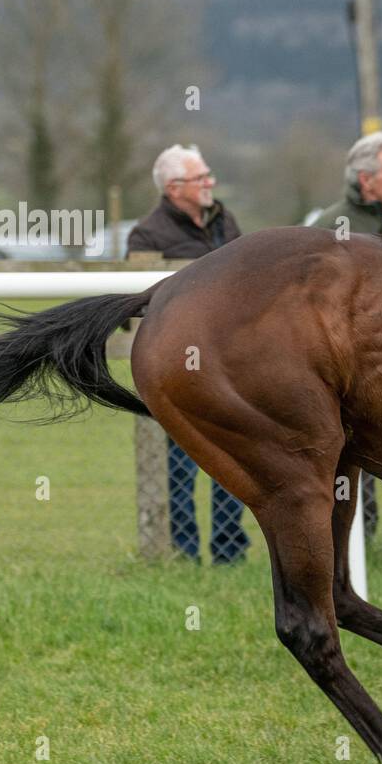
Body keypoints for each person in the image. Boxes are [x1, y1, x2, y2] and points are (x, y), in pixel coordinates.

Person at [128, 144, 250, 564]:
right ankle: (184, 553)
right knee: (181, 466)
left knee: (232, 458)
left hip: (230, 363)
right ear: (175, 187)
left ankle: (228, 549)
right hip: (179, 368)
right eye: (202, 178)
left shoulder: (224, 221)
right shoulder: (147, 237)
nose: (210, 184)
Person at [311, 132, 382, 546]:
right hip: (353, 361)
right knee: (355, 449)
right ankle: (357, 540)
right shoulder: (330, 225)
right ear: (366, 179)